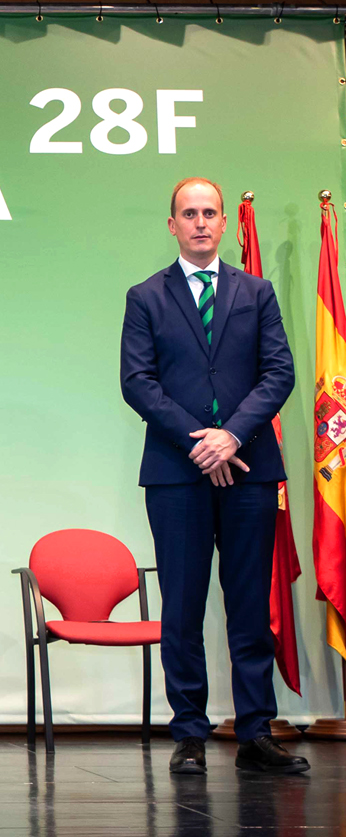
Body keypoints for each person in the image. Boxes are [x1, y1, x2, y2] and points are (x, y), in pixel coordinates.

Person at [120, 177, 307, 775]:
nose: (200, 222)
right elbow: (137, 382)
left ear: (224, 222)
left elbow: (279, 373)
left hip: (250, 469)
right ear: (172, 225)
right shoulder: (145, 297)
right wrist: (201, 442)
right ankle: (190, 735)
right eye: (188, 213)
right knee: (182, 607)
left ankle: (255, 732)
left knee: (249, 604)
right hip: (177, 473)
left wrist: (232, 435)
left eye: (209, 213)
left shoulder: (258, 292)